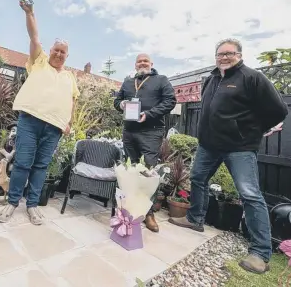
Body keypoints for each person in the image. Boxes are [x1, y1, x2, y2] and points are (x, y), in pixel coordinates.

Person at [169, 39, 288, 274]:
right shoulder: (212, 79)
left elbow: (279, 110)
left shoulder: (253, 77)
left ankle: (260, 253)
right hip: (209, 145)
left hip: (239, 147)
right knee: (197, 179)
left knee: (250, 195)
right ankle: (195, 219)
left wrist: (253, 130)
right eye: (220, 54)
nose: (224, 57)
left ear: (240, 55)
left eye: (229, 53)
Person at [0, 0, 79, 225]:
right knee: (22, 162)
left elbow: (72, 101)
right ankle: (12, 202)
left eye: (63, 52)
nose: (59, 54)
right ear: (50, 51)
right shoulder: (39, 62)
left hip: (54, 127)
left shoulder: (70, 77)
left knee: (41, 166)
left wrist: (68, 122)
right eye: (56, 50)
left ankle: (32, 205)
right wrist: (30, 13)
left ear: (67, 56)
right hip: (30, 121)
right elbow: (34, 37)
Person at [114, 53, 176, 232]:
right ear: (135, 65)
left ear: (151, 64)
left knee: (149, 172)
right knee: (130, 170)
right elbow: (116, 102)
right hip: (130, 132)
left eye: (145, 61)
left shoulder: (161, 80)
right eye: (139, 61)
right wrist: (121, 104)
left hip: (151, 132)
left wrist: (149, 114)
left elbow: (170, 101)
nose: (142, 63)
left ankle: (148, 214)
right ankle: (129, 209)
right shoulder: (127, 82)